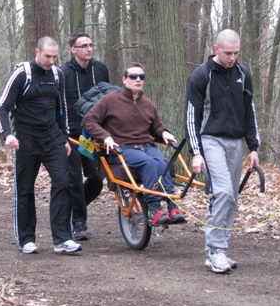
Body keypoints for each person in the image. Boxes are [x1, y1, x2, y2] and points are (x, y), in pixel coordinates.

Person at [185, 29, 260, 275]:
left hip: (236, 141)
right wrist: (195, 152)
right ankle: (214, 250)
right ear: (216, 49)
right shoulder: (201, 75)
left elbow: (250, 112)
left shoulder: (242, 73)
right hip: (211, 140)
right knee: (224, 192)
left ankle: (221, 250)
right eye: (228, 53)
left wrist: (254, 147)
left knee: (232, 198)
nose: (232, 58)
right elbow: (191, 117)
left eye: (236, 53)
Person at [0, 36, 81, 254]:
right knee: (25, 187)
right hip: (26, 138)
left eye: (54, 57)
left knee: (63, 182)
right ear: (37, 51)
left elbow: (61, 108)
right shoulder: (21, 74)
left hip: (52, 137)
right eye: (47, 56)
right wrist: (7, 134)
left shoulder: (57, 75)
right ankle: (26, 239)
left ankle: (62, 238)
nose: (51, 61)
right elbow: (2, 108)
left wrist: (64, 138)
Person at [82, 63, 186, 226]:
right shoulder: (110, 100)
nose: (138, 80)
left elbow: (156, 127)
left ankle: (172, 205)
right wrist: (105, 136)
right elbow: (88, 120)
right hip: (122, 149)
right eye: (133, 76)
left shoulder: (148, 104)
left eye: (141, 77)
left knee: (163, 163)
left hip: (146, 146)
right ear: (124, 79)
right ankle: (154, 208)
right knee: (150, 163)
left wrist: (164, 132)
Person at [61, 33, 110, 241]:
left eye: (91, 45)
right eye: (83, 46)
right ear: (73, 49)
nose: (89, 49)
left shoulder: (100, 69)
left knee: (97, 179)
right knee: (73, 178)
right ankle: (78, 221)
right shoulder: (63, 73)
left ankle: (73, 208)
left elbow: (108, 99)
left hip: (92, 135)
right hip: (71, 133)